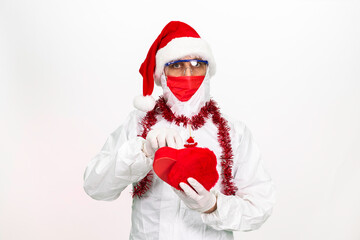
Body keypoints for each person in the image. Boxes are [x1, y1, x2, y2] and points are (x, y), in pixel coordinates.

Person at [83, 21, 276, 240]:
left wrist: (212, 206)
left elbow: (261, 205)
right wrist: (142, 151)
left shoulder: (234, 133)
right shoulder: (138, 123)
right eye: (176, 64)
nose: (187, 72)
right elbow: (95, 187)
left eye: (197, 63)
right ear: (162, 72)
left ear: (208, 70)